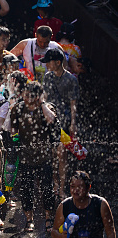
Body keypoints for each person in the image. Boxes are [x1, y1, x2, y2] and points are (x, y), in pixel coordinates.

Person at [10, 81, 58, 232]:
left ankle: (49, 218)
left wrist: (42, 103)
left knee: (47, 189)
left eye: (31, 95)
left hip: (44, 157)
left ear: (38, 96)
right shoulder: (19, 108)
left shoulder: (47, 108)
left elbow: (52, 119)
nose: (27, 98)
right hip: (26, 156)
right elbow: (12, 129)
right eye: (25, 94)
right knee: (26, 190)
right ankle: (29, 220)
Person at [41, 48, 79, 198]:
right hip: (49, 121)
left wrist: (73, 123)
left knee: (62, 154)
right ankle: (55, 183)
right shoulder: (47, 77)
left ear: (58, 62)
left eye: (48, 62)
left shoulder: (71, 79)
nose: (46, 65)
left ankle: (62, 188)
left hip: (65, 122)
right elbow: (44, 97)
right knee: (50, 155)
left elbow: (73, 103)